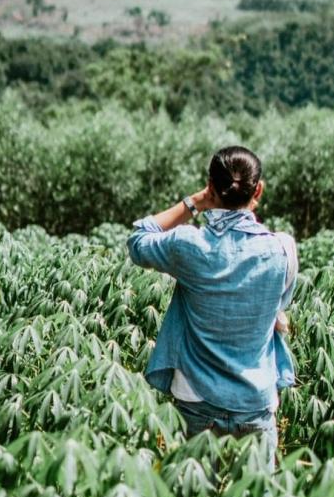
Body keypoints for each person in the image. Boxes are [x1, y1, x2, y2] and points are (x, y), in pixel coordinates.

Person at [127, 145, 297, 471]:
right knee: (257, 496)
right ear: (258, 189)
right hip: (256, 402)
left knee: (192, 495)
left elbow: (138, 240)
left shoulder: (189, 245)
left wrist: (194, 203)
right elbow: (279, 306)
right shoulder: (282, 250)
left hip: (195, 400)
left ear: (210, 185)